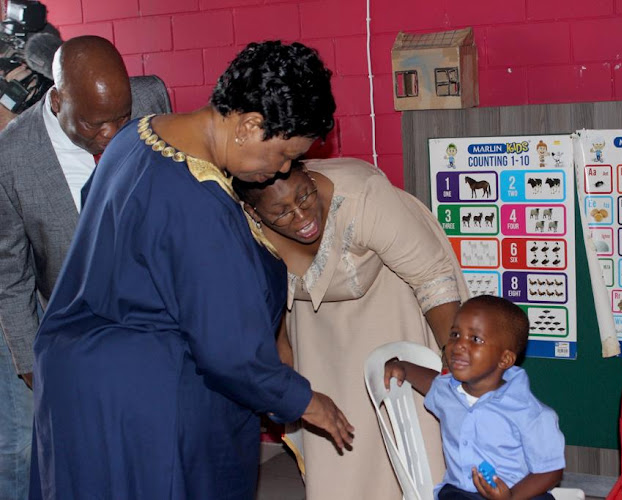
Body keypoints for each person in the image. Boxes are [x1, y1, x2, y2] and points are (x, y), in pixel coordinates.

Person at [30, 40, 353, 499]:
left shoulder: (137, 135)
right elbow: (228, 351)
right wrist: (305, 401)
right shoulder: (201, 203)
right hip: (144, 403)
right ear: (249, 125)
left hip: (77, 380)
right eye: (282, 155)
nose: (280, 171)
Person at [233, 157, 469, 499]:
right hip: (318, 332)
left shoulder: (363, 196)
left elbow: (432, 279)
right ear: (255, 213)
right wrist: (282, 360)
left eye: (304, 197)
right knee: (339, 450)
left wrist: (454, 363)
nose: (301, 217)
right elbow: (261, 298)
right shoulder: (240, 225)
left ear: (309, 175)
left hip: (394, 303)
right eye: (281, 213)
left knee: (412, 433)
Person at [0, 35, 170, 500]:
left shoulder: (151, 97)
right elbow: (10, 274)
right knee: (61, 454)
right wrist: (33, 364)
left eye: (121, 119)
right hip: (70, 319)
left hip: (148, 317)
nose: (113, 135)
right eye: (96, 125)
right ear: (57, 102)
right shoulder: (11, 156)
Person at [384, 295, 566, 500]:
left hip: (519, 492)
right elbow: (431, 382)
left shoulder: (530, 413)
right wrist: (404, 368)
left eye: (475, 339)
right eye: (454, 334)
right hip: (461, 492)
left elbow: (551, 471)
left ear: (505, 359)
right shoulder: (448, 391)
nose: (459, 345)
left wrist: (510, 496)